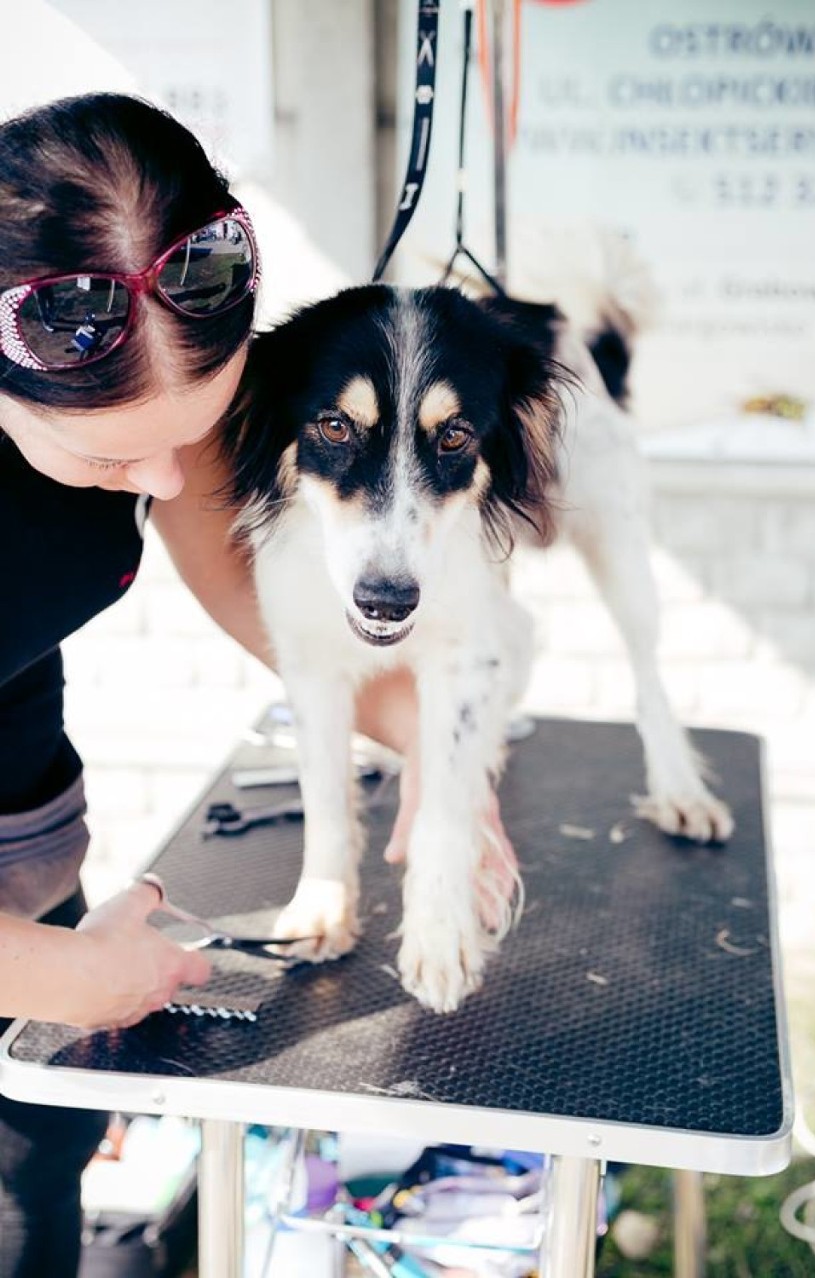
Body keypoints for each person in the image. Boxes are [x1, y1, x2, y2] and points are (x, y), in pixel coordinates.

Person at [0, 90, 437, 1278]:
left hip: (24, 830)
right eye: (107, 456)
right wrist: (54, 972)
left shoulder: (151, 341)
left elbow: (237, 571)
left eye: (193, 428)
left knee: (33, 1153)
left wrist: (434, 752)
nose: (160, 473)